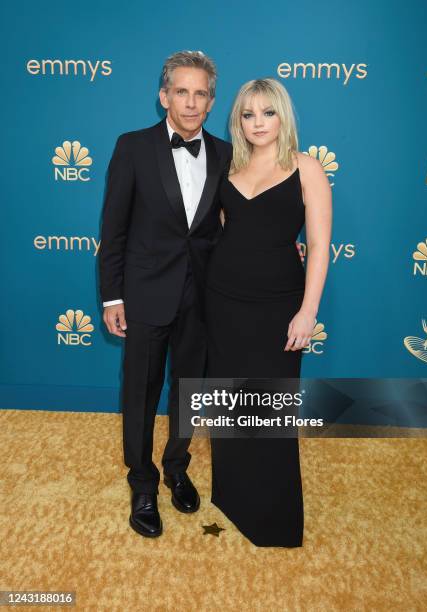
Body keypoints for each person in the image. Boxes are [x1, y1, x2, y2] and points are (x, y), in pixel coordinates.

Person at [98, 50, 232, 538]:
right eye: (181, 91)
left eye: (200, 94)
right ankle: (142, 482)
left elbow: (232, 227)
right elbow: (113, 229)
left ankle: (177, 465)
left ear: (212, 101)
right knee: (140, 392)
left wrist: (283, 252)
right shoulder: (132, 147)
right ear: (164, 96)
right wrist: (113, 297)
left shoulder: (223, 153)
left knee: (190, 391)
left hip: (204, 297)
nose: (191, 103)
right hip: (146, 294)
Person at [205, 78, 332, 547]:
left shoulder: (306, 168)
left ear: (283, 118)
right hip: (222, 302)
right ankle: (233, 496)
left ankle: (273, 518)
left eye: (268, 113)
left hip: (279, 306)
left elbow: (318, 245)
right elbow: (224, 233)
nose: (258, 123)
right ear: (238, 120)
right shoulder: (228, 168)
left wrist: (308, 311)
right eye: (248, 114)